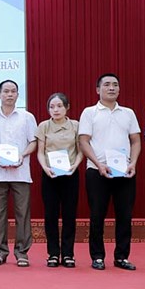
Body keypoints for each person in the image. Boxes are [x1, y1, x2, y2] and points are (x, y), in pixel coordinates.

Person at [78, 73, 141, 271]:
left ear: (119, 89)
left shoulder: (128, 113)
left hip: (124, 170)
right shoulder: (89, 112)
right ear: (98, 89)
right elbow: (83, 141)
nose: (111, 88)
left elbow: (136, 141)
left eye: (115, 85)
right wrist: (98, 164)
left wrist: (133, 163)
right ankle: (97, 256)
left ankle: (122, 257)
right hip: (97, 171)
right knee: (97, 215)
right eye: (106, 85)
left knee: (125, 216)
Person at [0, 80, 37, 267]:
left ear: (18, 95)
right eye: (6, 91)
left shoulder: (27, 117)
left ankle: (22, 252)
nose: (9, 94)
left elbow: (33, 142)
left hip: (21, 173)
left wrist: (22, 155)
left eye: (13, 91)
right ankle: (0, 251)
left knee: (23, 213)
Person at [35, 93, 83, 268]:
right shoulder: (43, 126)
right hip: (50, 175)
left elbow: (81, 149)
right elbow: (40, 152)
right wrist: (45, 168)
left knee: (69, 215)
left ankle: (68, 254)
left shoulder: (76, 125)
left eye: (59, 106)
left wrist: (75, 165)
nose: (55, 110)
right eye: (52, 107)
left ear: (67, 107)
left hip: (70, 175)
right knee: (51, 215)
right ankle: (53, 254)